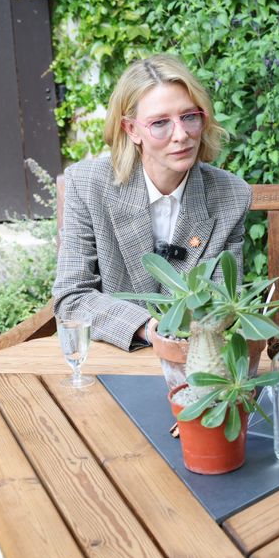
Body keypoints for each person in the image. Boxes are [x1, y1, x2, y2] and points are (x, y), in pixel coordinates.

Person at [53, 54, 252, 350]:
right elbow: (72, 297)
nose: (181, 135)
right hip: (114, 359)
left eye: (189, 117)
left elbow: (223, 301)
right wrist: (147, 327)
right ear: (131, 130)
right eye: (160, 123)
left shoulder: (230, 194)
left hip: (195, 360)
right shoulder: (87, 185)